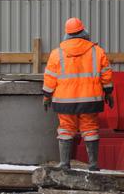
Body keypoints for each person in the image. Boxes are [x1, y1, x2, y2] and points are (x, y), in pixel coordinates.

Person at [42, 17, 114, 171]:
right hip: (91, 100)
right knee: (90, 129)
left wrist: (47, 96)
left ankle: (64, 164)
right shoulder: (97, 52)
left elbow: (49, 78)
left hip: (64, 101)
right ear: (83, 31)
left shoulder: (57, 53)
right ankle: (93, 164)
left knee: (66, 129)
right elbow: (106, 75)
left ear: (66, 34)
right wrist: (108, 93)